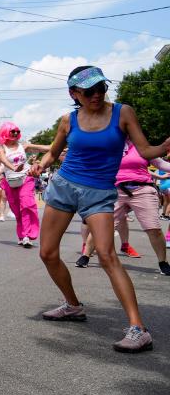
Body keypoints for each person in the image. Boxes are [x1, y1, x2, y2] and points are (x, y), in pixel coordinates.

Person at [31, 66, 170, 353]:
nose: (97, 95)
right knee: (47, 253)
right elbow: (54, 152)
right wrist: (42, 164)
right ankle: (72, 306)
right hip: (64, 185)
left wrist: (164, 147)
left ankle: (138, 329)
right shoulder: (68, 120)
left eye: (101, 89)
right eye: (89, 91)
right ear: (74, 93)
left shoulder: (123, 113)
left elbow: (144, 151)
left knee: (107, 255)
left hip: (99, 193)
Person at [112, 141, 170, 275]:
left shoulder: (142, 147)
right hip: (117, 191)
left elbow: (161, 164)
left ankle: (163, 262)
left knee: (153, 228)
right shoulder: (110, 145)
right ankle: (86, 255)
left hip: (142, 189)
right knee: (104, 225)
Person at [0, 123, 50, 248]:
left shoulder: (23, 146)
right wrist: (14, 168)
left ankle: (27, 236)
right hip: (10, 181)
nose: (15, 133)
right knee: (16, 210)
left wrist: (62, 147)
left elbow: (44, 148)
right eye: (12, 131)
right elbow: (3, 160)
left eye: (17, 131)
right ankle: (21, 235)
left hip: (26, 178)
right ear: (5, 132)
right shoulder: (1, 148)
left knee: (26, 205)